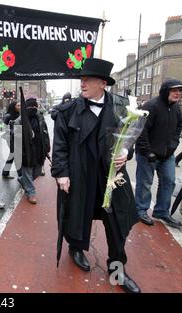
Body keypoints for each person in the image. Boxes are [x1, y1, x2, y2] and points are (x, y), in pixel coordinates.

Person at [51, 58, 141, 293]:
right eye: (81, 79)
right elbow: (59, 145)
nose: (82, 83)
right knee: (77, 216)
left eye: (87, 79)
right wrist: (61, 173)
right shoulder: (68, 110)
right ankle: (76, 248)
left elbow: (130, 139)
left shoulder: (122, 108)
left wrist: (126, 152)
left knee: (117, 222)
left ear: (102, 83)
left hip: (110, 176)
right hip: (80, 174)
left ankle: (117, 270)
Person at [135, 79, 182, 228]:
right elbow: (141, 130)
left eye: (180, 91)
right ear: (166, 91)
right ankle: (140, 210)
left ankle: (162, 211)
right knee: (145, 183)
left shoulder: (176, 108)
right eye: (174, 90)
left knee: (169, 182)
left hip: (167, 155)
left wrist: (174, 145)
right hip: (148, 154)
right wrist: (147, 152)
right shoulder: (151, 106)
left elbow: (178, 127)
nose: (178, 93)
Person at [15, 98, 50, 204]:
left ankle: (22, 180)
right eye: (31, 107)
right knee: (28, 172)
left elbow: (45, 133)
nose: (34, 109)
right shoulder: (19, 120)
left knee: (37, 172)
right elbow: (14, 137)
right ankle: (31, 193)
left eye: (35, 107)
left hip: (39, 150)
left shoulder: (40, 118)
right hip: (27, 152)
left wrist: (47, 148)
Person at [1, 100, 21, 179]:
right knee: (15, 154)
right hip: (10, 138)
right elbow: (4, 128)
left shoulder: (19, 114)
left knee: (13, 154)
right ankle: (21, 175)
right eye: (18, 105)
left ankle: (5, 172)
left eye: (20, 105)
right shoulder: (8, 116)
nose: (19, 107)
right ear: (13, 106)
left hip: (17, 137)